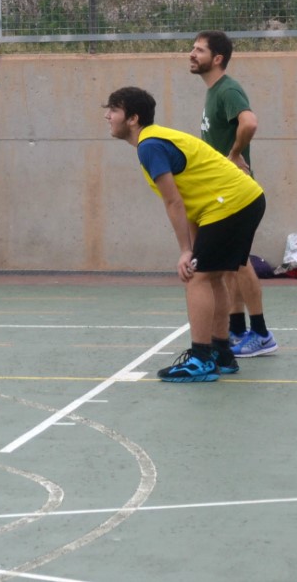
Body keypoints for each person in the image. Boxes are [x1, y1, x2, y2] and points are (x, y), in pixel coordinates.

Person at [103, 86, 267, 383]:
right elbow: (191, 203)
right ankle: (221, 353)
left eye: (113, 110)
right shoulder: (157, 139)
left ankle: (201, 359)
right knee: (212, 276)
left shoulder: (149, 146)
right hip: (242, 200)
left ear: (133, 118)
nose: (108, 116)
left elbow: (174, 202)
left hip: (230, 204)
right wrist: (192, 247)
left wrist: (185, 251)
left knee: (197, 277)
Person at [188, 31, 278, 359]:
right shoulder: (213, 92)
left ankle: (261, 333)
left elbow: (249, 123)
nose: (191, 54)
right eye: (193, 48)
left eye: (199, 50)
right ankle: (238, 330)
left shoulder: (228, 89)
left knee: (239, 264)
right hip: (220, 193)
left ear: (217, 59)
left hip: (234, 193)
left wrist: (235, 154)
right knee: (228, 266)